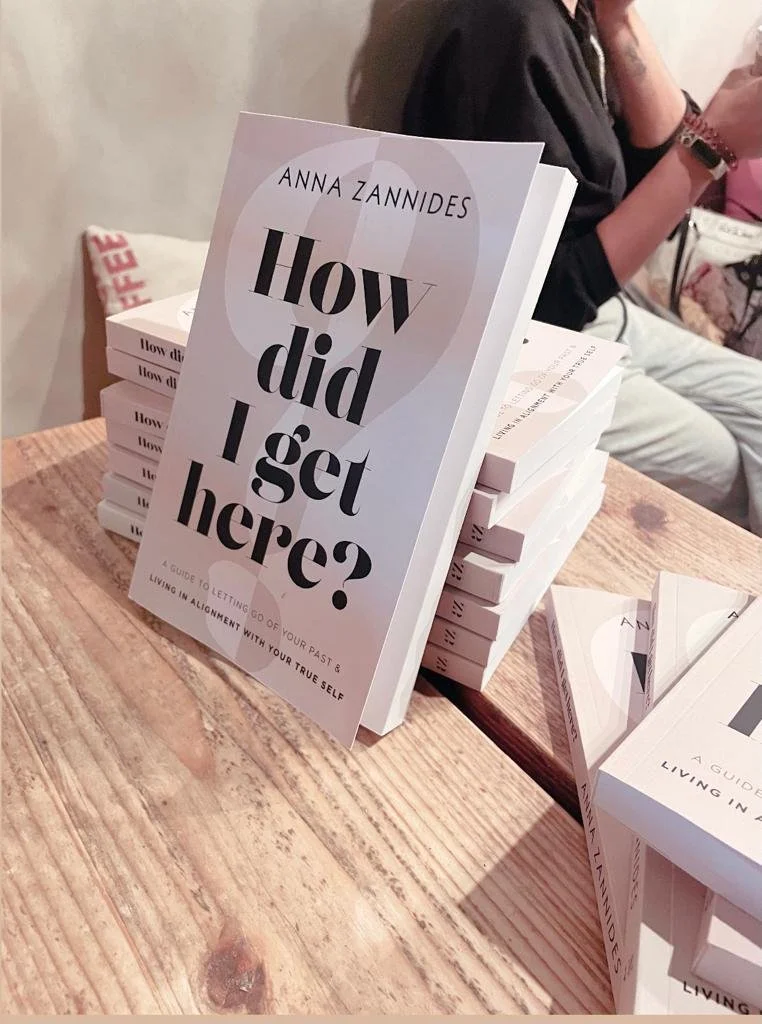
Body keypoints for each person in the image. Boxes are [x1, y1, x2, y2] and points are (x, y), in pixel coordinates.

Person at [402, 0, 762, 536]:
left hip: (596, 313)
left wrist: (618, 18)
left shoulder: (577, 19)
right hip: (516, 345)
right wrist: (713, 146)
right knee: (724, 469)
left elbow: (651, 180)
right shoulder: (506, 27)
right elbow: (548, 298)